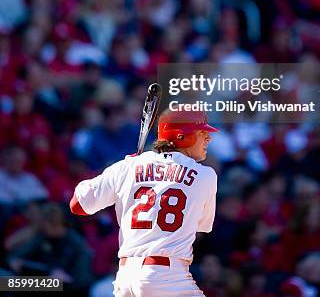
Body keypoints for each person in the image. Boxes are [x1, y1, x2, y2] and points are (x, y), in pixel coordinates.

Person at [70, 108, 218, 296]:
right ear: (182, 137)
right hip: (167, 276)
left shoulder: (127, 166)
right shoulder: (206, 175)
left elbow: (78, 206)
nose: (208, 139)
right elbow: (201, 227)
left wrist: (120, 170)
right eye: (202, 133)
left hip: (125, 277)